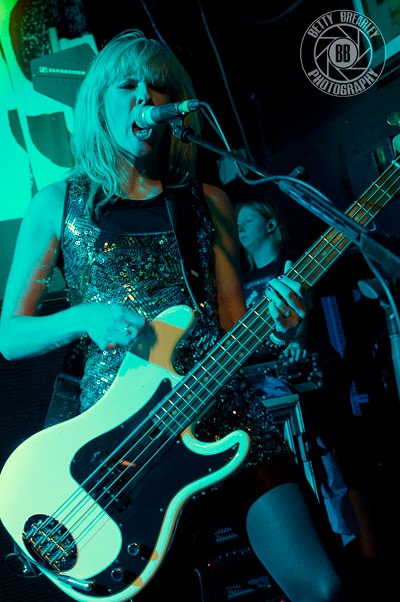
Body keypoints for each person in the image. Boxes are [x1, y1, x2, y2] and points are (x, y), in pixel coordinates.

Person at [0, 30, 346, 602]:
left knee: (323, 585)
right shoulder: (57, 204)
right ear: (99, 103)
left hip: (227, 416)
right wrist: (84, 316)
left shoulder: (208, 201)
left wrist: (287, 324)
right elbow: (11, 337)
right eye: (128, 86)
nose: (146, 97)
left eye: (159, 87)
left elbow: (235, 327)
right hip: (123, 446)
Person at [236, 198, 383, 592]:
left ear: (271, 225)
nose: (240, 228)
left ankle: (369, 553)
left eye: (248, 219)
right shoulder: (240, 281)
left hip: (313, 377)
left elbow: (306, 314)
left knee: (345, 459)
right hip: (269, 387)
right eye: (237, 222)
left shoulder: (294, 265)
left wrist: (297, 341)